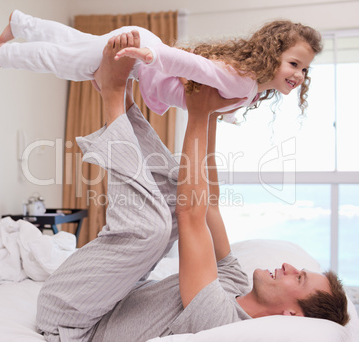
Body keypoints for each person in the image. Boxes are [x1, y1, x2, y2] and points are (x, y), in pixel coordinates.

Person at [36, 31, 349, 342]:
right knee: (178, 190)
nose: (289, 266)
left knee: (154, 228)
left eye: (300, 277)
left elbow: (191, 215)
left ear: (292, 316)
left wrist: (197, 115)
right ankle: (127, 104)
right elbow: (208, 202)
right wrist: (211, 113)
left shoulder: (223, 323)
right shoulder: (235, 284)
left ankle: (112, 95)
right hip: (104, 301)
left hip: (70, 321)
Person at [0, 9, 322, 123]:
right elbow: (196, 67)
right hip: (141, 50)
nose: (299, 75)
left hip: (143, 49)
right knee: (70, 63)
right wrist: (150, 56)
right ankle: (3, 56)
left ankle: (20, 24)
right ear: (271, 56)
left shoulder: (251, 90)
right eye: (294, 64)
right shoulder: (244, 83)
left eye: (304, 70)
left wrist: (229, 117)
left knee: (74, 43)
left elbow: (220, 103)